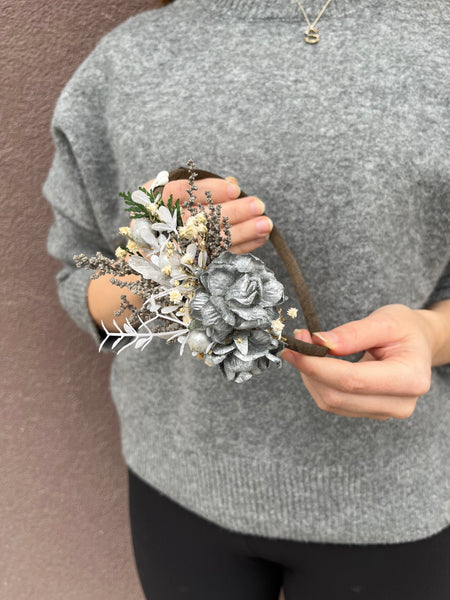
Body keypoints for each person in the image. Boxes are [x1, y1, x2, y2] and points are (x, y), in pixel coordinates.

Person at [43, 0, 450, 598]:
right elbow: (81, 286)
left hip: (395, 502)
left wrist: (432, 336)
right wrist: (160, 274)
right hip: (179, 487)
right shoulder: (125, 64)